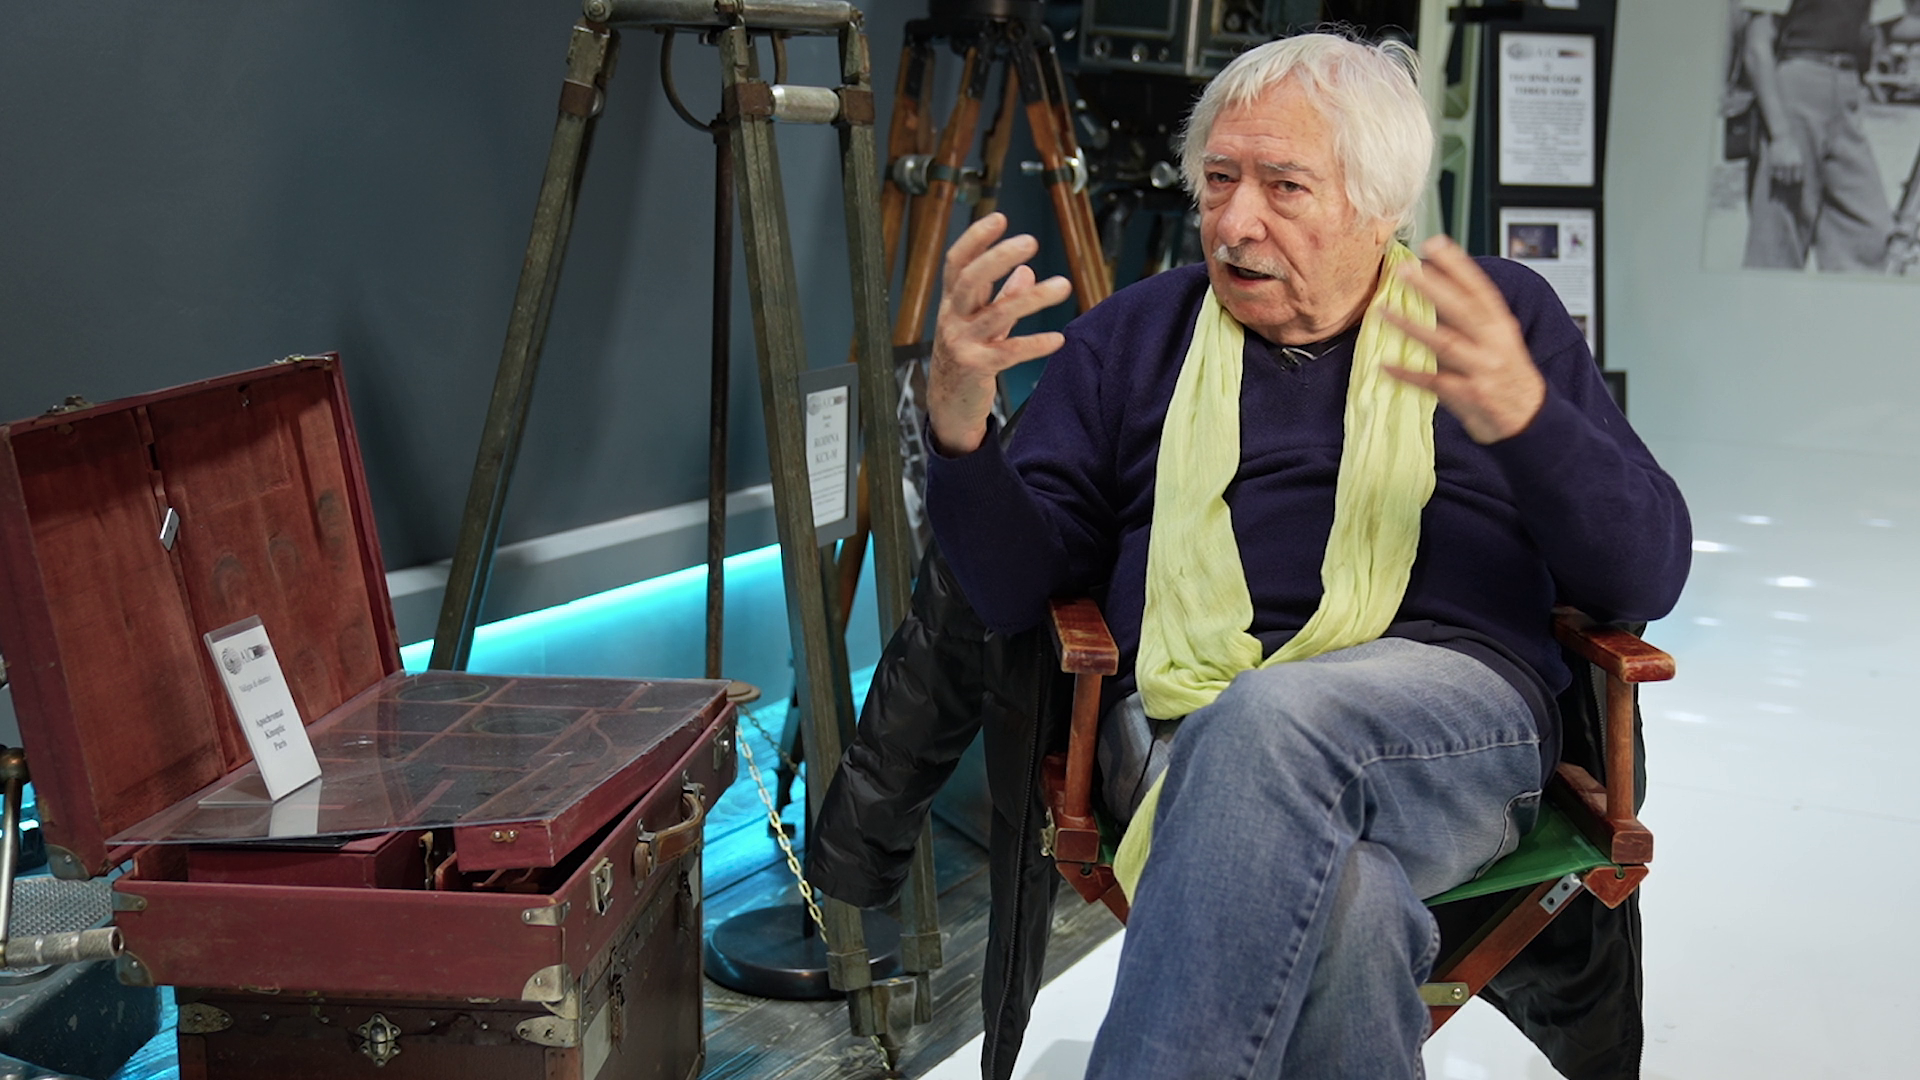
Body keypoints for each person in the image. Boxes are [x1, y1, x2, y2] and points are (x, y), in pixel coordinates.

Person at [919, 33, 1690, 1079]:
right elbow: (1016, 592)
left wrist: (1529, 420)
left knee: (1272, 718)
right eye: (1219, 180)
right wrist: (962, 432)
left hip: (1451, 735)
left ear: (1380, 207)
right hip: (1177, 725)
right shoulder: (1135, 339)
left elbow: (1646, 576)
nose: (1236, 221)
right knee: (1351, 909)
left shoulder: (1494, 321)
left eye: (1283, 187)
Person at [1741, 0, 1904, 270]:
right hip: (1798, 84)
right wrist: (1781, 136)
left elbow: (1895, 25)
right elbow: (1757, 47)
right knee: (1780, 237)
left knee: (1870, 232)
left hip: (1847, 88)